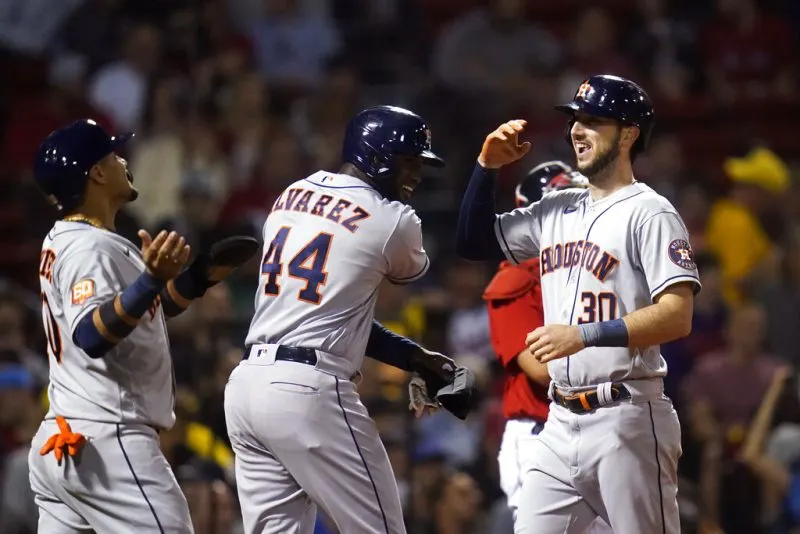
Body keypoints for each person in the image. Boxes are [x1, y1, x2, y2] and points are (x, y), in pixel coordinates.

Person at [456, 74, 700, 534]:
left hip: (625, 415)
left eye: (593, 121)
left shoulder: (650, 211)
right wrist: (486, 167)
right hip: (558, 423)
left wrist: (584, 335)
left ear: (628, 134)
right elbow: (472, 241)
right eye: (575, 119)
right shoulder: (557, 208)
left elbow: (677, 314)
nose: (577, 130)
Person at [224, 105, 468, 534]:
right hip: (309, 390)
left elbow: (334, 313)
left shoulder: (290, 194)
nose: (417, 176)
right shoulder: (394, 220)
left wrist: (412, 357)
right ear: (377, 155)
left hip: (246, 386)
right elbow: (400, 276)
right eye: (410, 162)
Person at [28, 119, 253, 533]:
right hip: (108, 440)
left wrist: (196, 278)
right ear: (96, 173)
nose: (122, 160)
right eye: (112, 156)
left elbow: (137, 318)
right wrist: (150, 279)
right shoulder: (88, 247)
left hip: (66, 440)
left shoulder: (70, 238)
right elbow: (92, 336)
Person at [483, 161, 611, 534]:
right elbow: (540, 369)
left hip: (594, 428)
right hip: (540, 431)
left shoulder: (593, 270)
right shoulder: (515, 278)